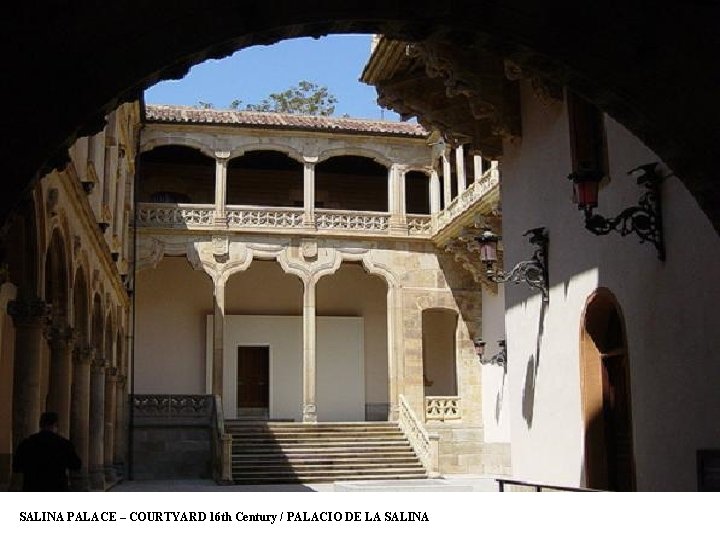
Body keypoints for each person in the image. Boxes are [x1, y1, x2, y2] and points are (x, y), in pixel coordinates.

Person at [12, 412, 81, 491]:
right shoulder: (64, 444)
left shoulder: (27, 444)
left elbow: (16, 467)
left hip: (32, 488)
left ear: (40, 425)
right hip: (57, 488)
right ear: (55, 425)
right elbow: (76, 465)